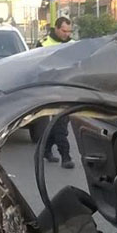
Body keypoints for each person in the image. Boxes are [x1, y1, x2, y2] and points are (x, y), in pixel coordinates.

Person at [36, 17, 75, 168]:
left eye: (69, 31)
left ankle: (45, 149)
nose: (67, 34)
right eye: (64, 31)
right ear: (57, 28)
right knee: (61, 124)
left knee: (60, 122)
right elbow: (36, 67)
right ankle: (66, 156)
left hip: (68, 89)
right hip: (50, 89)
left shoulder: (74, 45)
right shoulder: (44, 44)